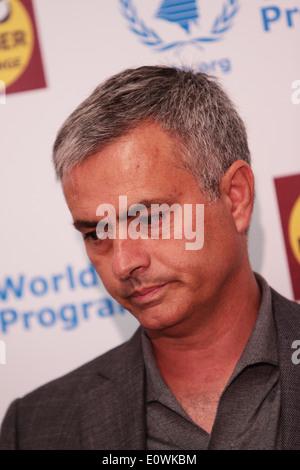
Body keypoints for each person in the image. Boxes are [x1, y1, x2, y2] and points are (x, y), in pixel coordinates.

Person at [1, 66, 300, 450]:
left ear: (235, 198)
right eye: (96, 233)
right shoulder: (35, 429)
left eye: (148, 217)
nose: (122, 263)